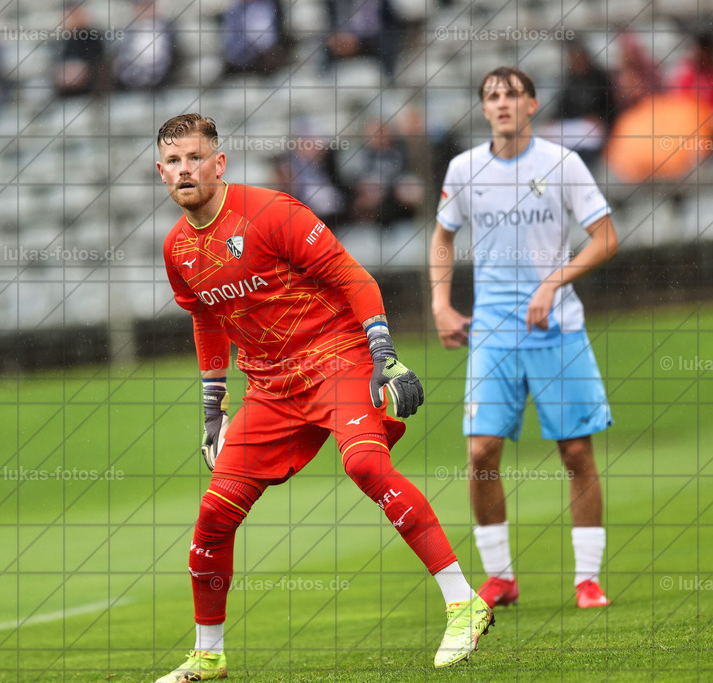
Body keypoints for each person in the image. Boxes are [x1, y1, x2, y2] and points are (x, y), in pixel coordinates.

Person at [154, 113, 493, 681]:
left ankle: (465, 602)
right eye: (173, 161)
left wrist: (382, 354)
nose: (184, 170)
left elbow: (353, 277)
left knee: (365, 463)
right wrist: (213, 406)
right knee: (214, 516)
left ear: (219, 164)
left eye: (194, 158)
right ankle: (208, 654)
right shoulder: (177, 250)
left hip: (335, 358)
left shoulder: (271, 211)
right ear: (159, 171)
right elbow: (207, 320)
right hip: (268, 387)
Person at [429, 66, 618, 611]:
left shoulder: (563, 164)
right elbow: (443, 236)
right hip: (491, 332)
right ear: (484, 109)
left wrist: (553, 281)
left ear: (532, 105)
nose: (503, 103)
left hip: (558, 328)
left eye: (512, 94)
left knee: (576, 450)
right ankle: (501, 578)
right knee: (481, 451)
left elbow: (605, 239)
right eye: (492, 96)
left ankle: (587, 580)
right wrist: (441, 304)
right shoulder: (465, 169)